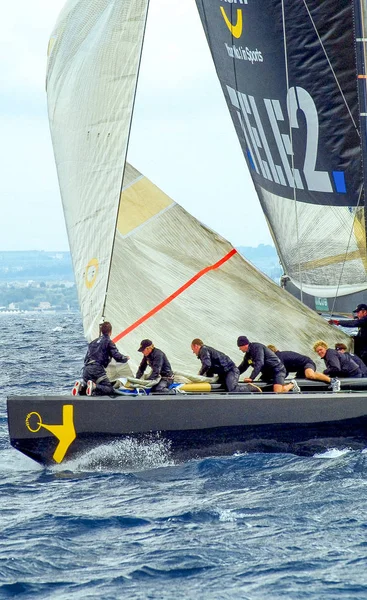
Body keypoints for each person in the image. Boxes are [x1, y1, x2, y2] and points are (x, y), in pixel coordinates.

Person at [72, 322, 130, 396]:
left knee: (87, 391)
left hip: (86, 369)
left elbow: (86, 359)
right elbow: (117, 357)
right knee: (109, 389)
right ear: (110, 332)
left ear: (101, 331)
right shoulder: (108, 342)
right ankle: (94, 386)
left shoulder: (93, 342)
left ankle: (81, 386)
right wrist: (125, 358)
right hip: (97, 368)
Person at [267, 344, 339, 389]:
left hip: (307, 363)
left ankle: (333, 381)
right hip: (300, 369)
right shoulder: (280, 358)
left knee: (309, 375)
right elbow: (284, 373)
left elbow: (278, 371)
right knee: (295, 382)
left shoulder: (278, 357)